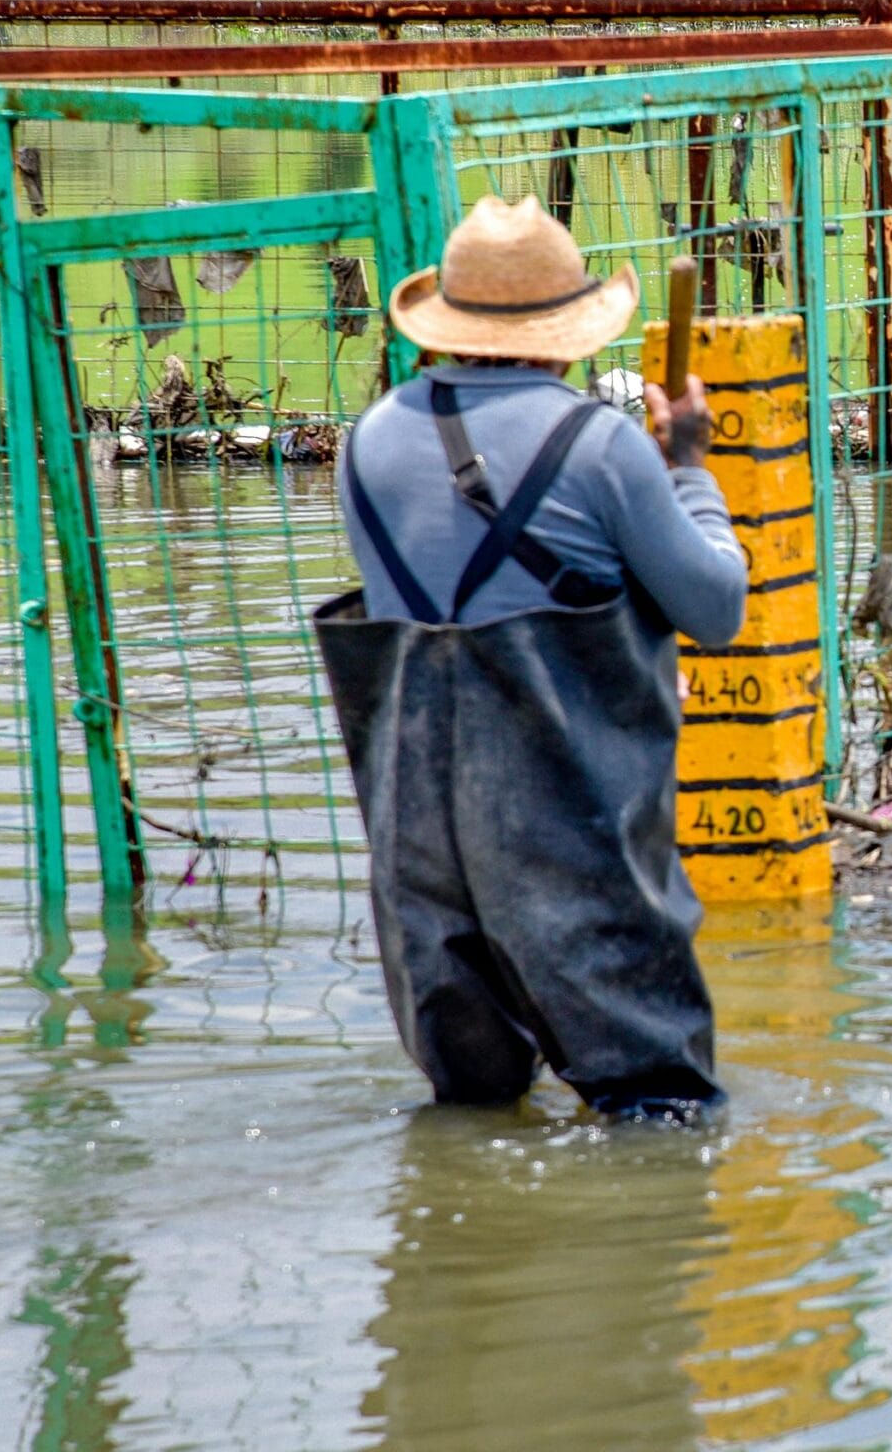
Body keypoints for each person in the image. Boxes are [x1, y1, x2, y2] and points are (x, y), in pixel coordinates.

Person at [314, 196, 747, 1122]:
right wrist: (692, 471)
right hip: (568, 823)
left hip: (417, 841)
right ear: (573, 330)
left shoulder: (368, 442)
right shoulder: (602, 446)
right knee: (658, 1107)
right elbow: (715, 610)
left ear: (446, 326)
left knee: (471, 1109)